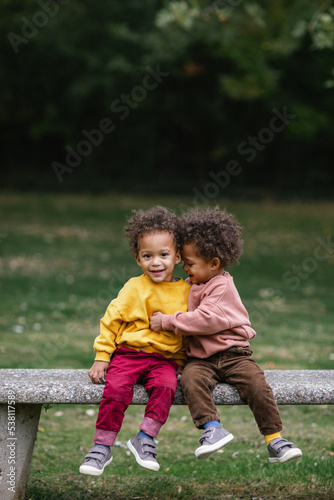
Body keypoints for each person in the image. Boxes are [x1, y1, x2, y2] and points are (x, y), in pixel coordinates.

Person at [149, 207, 302, 464]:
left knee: (257, 386)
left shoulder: (221, 286)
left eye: (190, 263)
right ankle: (212, 429)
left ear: (214, 264)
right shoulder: (191, 284)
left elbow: (205, 320)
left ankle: (274, 439)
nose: (185, 267)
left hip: (234, 355)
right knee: (190, 379)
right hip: (201, 360)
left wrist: (167, 321)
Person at [79, 206, 190, 476]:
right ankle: (101, 447)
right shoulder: (133, 287)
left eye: (164, 255)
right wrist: (102, 357)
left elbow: (192, 328)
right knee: (115, 390)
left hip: (164, 360)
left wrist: (187, 361)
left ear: (177, 256)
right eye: (147, 256)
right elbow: (111, 321)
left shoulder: (188, 291)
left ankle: (145, 438)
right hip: (129, 354)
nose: (156, 262)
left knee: (166, 387)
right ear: (137, 258)